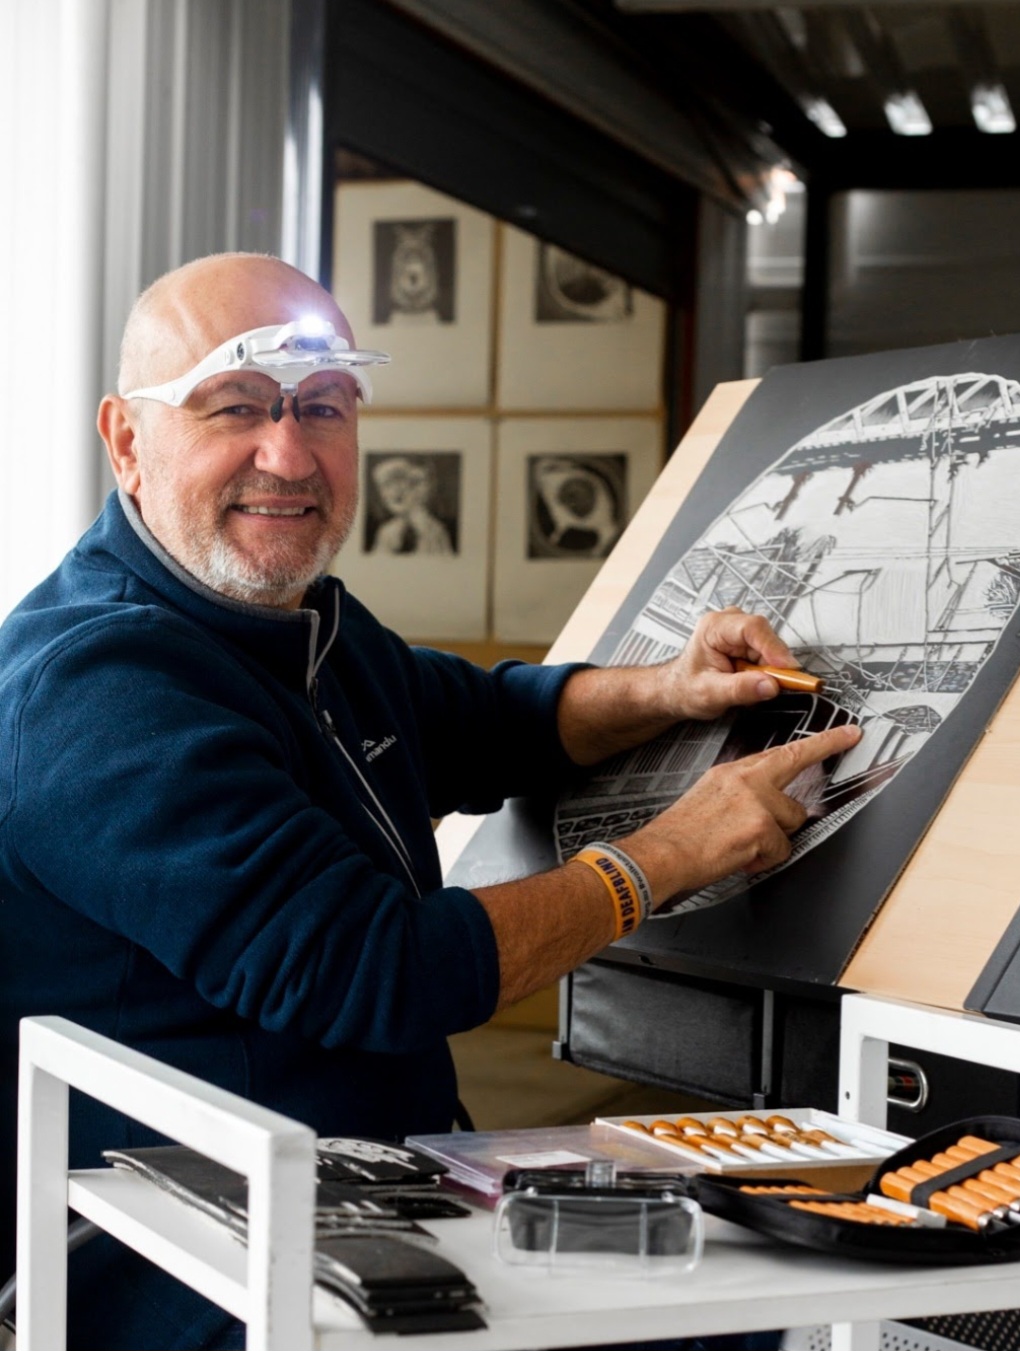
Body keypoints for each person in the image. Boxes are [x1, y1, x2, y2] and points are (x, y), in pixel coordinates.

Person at [0, 253, 860, 1350]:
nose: (289, 452)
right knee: (756, 1325)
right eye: (237, 406)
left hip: (362, 1194)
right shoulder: (99, 688)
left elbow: (476, 718)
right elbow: (376, 969)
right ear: (127, 439)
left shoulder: (292, 619)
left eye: (324, 407)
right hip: (182, 1268)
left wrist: (666, 688)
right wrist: (664, 858)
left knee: (758, 1300)